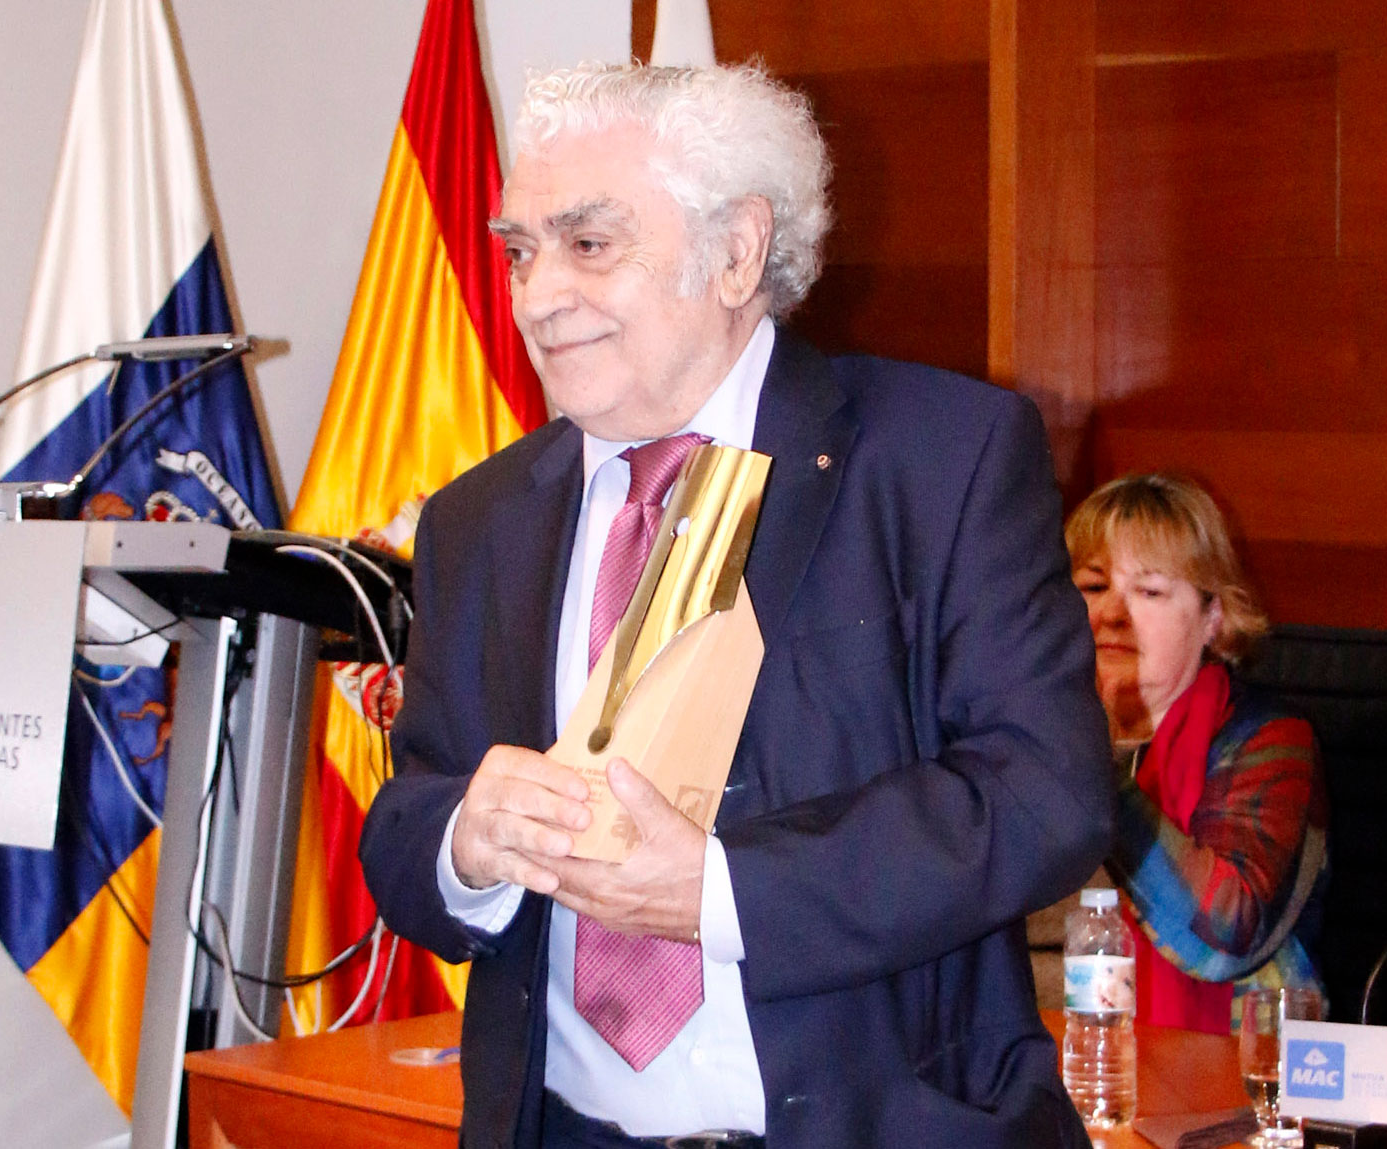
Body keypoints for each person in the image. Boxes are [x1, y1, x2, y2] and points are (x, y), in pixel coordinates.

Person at [358, 62, 1112, 1148]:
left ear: (737, 251)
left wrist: (719, 893)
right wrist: (464, 844)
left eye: (588, 243)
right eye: (519, 252)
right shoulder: (478, 520)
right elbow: (408, 818)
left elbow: (1043, 795)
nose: (536, 296)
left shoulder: (939, 460)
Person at [1064, 473, 1328, 1034]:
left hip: (1225, 1066)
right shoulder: (1018, 738)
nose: (1112, 614)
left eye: (1149, 592)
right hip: (1037, 1057)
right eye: (1093, 586)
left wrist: (1099, 769)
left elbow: (1225, 938)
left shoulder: (1270, 741)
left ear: (1215, 618)